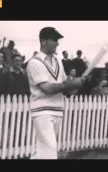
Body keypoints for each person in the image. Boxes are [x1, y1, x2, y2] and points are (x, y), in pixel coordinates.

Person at [26, 27, 86, 159]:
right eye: (55, 40)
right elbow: (47, 88)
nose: (57, 44)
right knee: (50, 147)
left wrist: (76, 86)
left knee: (42, 150)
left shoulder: (58, 60)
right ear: (43, 41)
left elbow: (64, 86)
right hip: (42, 111)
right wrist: (69, 84)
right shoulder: (34, 63)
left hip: (58, 110)